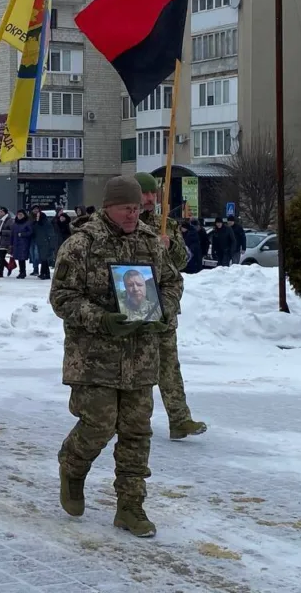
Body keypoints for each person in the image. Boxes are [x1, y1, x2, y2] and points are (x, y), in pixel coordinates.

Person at [50, 176, 183, 538]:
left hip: (140, 356)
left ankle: (130, 506)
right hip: (95, 357)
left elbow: (172, 282)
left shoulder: (150, 242)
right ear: (108, 206)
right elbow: (62, 297)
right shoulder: (81, 245)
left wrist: (162, 310)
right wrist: (102, 319)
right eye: (126, 207)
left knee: (137, 433)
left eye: (137, 208)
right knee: (98, 424)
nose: (132, 214)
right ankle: (73, 467)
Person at [134, 173, 206, 440]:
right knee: (137, 364)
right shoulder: (125, 223)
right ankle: (134, 422)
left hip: (163, 301)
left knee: (169, 365)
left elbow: (183, 260)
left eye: (153, 193)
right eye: (144, 193)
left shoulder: (167, 225)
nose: (150, 199)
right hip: (135, 296)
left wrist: (170, 244)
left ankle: (179, 419)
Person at [30, 205, 57, 280]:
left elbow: (51, 233)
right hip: (40, 242)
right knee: (43, 258)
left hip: (45, 243)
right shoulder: (37, 224)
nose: (37, 217)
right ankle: (45, 273)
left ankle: (44, 273)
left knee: (44, 258)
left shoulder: (46, 224)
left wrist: (51, 243)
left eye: (38, 216)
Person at [11, 209, 33, 279]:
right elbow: (12, 234)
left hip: (24, 243)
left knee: (22, 258)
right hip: (16, 243)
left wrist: (23, 234)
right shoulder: (15, 223)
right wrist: (11, 243)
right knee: (19, 258)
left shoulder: (27, 223)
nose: (19, 216)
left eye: (21, 215)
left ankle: (23, 272)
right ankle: (21, 272)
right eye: (18, 215)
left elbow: (30, 232)